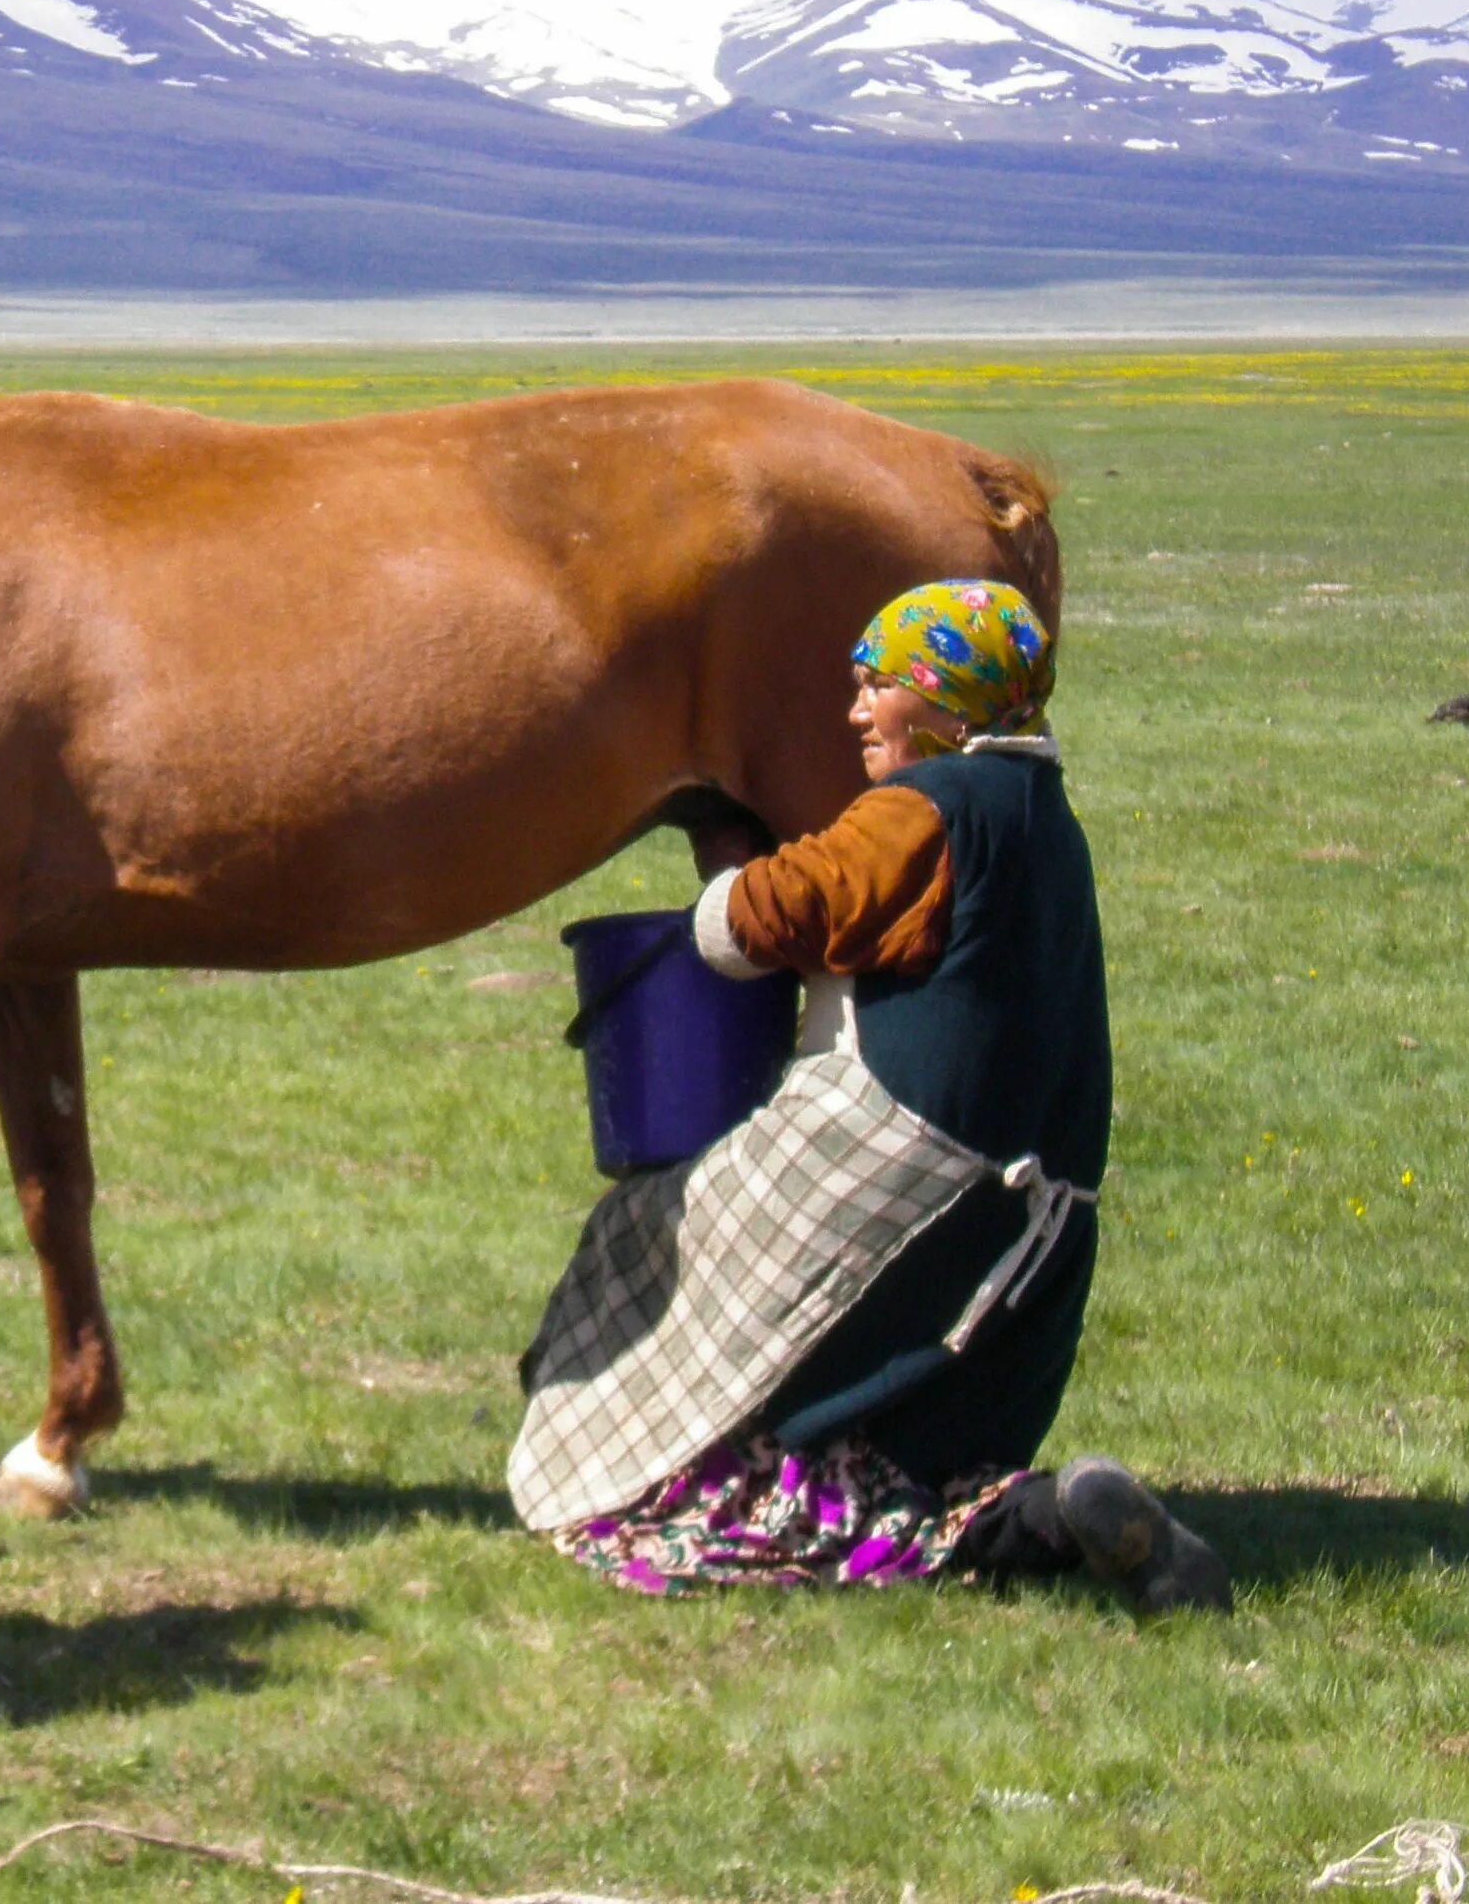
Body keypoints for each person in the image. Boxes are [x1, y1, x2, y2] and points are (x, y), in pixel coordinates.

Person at [509, 581, 1228, 1613]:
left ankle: (626, 1472)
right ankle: (1048, 1523)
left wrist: (718, 887)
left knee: (650, 1238)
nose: (855, 711)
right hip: (1043, 1212)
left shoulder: (923, 810)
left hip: (898, 1164)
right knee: (909, 1452)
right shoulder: (1045, 821)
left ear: (949, 696)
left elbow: (775, 915)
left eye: (877, 686)